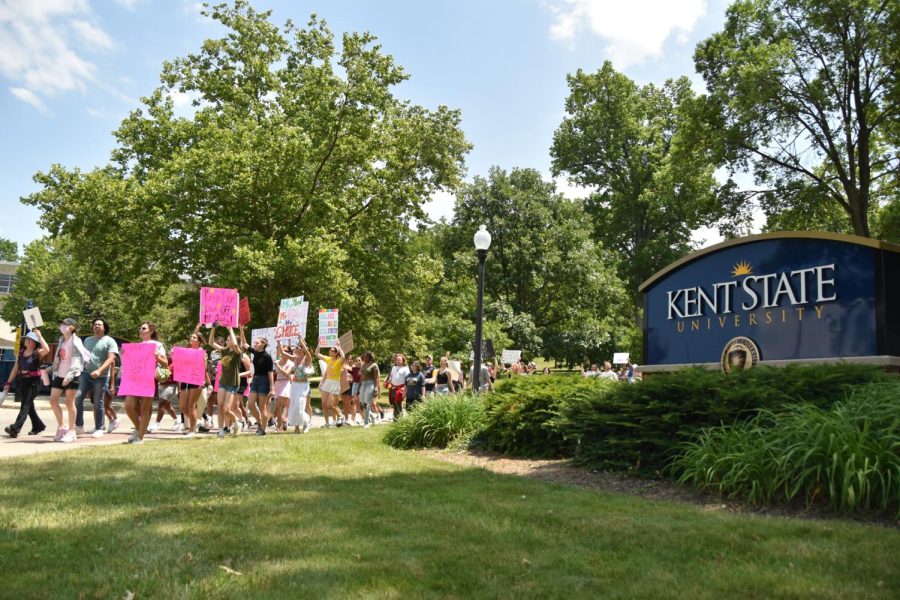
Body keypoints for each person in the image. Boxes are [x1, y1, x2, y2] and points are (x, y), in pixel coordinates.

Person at [124, 322, 168, 444]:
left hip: (148, 380)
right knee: (128, 407)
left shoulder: (157, 345)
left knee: (144, 409)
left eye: (143, 328)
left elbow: (165, 363)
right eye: (140, 328)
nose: (141, 330)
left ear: (151, 331)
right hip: (135, 380)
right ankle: (139, 429)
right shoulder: (137, 345)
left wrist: (157, 357)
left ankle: (140, 437)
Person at [74, 318, 118, 438]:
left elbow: (111, 359)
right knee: (78, 398)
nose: (97, 326)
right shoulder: (87, 340)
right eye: (95, 324)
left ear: (104, 328)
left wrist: (99, 370)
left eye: (99, 325)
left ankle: (99, 428)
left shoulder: (110, 341)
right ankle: (79, 426)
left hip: (101, 376)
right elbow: (83, 355)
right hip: (85, 374)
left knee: (98, 402)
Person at [3, 329, 50, 437]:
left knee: (25, 405)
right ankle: (38, 426)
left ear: (35, 342)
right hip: (23, 381)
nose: (28, 341)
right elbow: (15, 368)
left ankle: (15, 429)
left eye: (31, 339)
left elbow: (47, 349)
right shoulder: (20, 352)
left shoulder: (37, 352)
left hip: (34, 383)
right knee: (29, 407)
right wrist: (8, 382)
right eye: (27, 339)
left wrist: (40, 336)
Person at [208, 325, 252, 438]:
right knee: (220, 407)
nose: (227, 341)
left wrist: (230, 329)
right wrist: (213, 328)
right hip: (223, 381)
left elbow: (236, 345)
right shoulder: (224, 351)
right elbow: (211, 342)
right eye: (227, 340)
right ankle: (221, 430)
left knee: (227, 409)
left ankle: (237, 423)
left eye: (228, 340)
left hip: (232, 383)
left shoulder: (238, 353)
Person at [50, 318, 88, 443]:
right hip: (60, 374)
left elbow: (78, 360)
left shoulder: (76, 341)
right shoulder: (61, 340)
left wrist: (70, 376)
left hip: (72, 375)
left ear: (71, 327)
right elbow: (59, 358)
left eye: (64, 324)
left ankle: (72, 431)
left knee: (69, 402)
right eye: (61, 324)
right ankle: (62, 427)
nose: (61, 326)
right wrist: (51, 369)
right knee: (53, 401)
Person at [176, 324, 208, 438]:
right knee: (182, 406)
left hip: (196, 379)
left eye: (194, 338)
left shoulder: (201, 351)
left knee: (191, 405)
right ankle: (195, 422)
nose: (191, 338)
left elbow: (205, 369)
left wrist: (203, 361)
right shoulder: (187, 350)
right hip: (185, 379)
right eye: (191, 337)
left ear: (199, 341)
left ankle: (192, 430)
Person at [247, 333, 275, 436]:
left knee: (262, 406)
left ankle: (263, 429)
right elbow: (244, 344)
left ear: (263, 344)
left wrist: (272, 388)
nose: (254, 344)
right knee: (250, 404)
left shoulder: (267, 357)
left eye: (257, 342)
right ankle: (260, 422)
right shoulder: (255, 353)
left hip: (264, 381)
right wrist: (241, 329)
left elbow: (270, 373)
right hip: (256, 379)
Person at [283, 339, 313, 433]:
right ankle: (296, 427)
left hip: (303, 385)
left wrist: (301, 341)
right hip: (295, 385)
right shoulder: (295, 358)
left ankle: (307, 422)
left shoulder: (307, 358)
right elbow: (282, 352)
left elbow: (307, 351)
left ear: (302, 349)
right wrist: (279, 342)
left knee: (300, 405)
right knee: (294, 406)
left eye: (297, 347)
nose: (295, 348)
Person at [315, 342, 345, 428]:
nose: (330, 351)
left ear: (336, 353)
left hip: (334, 383)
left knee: (330, 405)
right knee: (324, 404)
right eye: (330, 350)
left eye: (332, 350)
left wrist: (339, 346)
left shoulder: (339, 361)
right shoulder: (328, 359)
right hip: (327, 382)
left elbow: (343, 357)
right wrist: (319, 344)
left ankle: (340, 415)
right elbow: (317, 353)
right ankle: (327, 424)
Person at [272, 345, 294, 432]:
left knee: (285, 404)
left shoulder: (291, 363)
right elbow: (273, 373)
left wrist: (278, 366)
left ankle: (283, 420)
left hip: (286, 383)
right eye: (282, 350)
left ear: (289, 353)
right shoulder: (277, 361)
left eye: (286, 351)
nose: (283, 352)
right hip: (278, 383)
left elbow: (286, 374)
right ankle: (280, 424)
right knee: (278, 407)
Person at [357, 351, 381, 428]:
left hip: (370, 384)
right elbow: (361, 376)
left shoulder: (374, 365)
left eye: (366, 356)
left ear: (370, 357)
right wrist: (359, 386)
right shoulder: (363, 364)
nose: (365, 358)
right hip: (363, 385)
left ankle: (366, 423)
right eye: (364, 357)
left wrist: (376, 388)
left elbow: (376, 378)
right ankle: (373, 416)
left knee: (366, 404)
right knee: (361, 404)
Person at [386, 353, 410, 420]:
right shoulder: (394, 367)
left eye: (400, 360)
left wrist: (405, 390)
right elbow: (391, 376)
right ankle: (396, 417)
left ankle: (400, 417)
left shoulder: (405, 368)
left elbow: (407, 379)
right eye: (397, 360)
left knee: (398, 402)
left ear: (403, 360)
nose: (398, 361)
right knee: (394, 402)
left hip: (401, 388)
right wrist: (389, 381)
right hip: (393, 387)